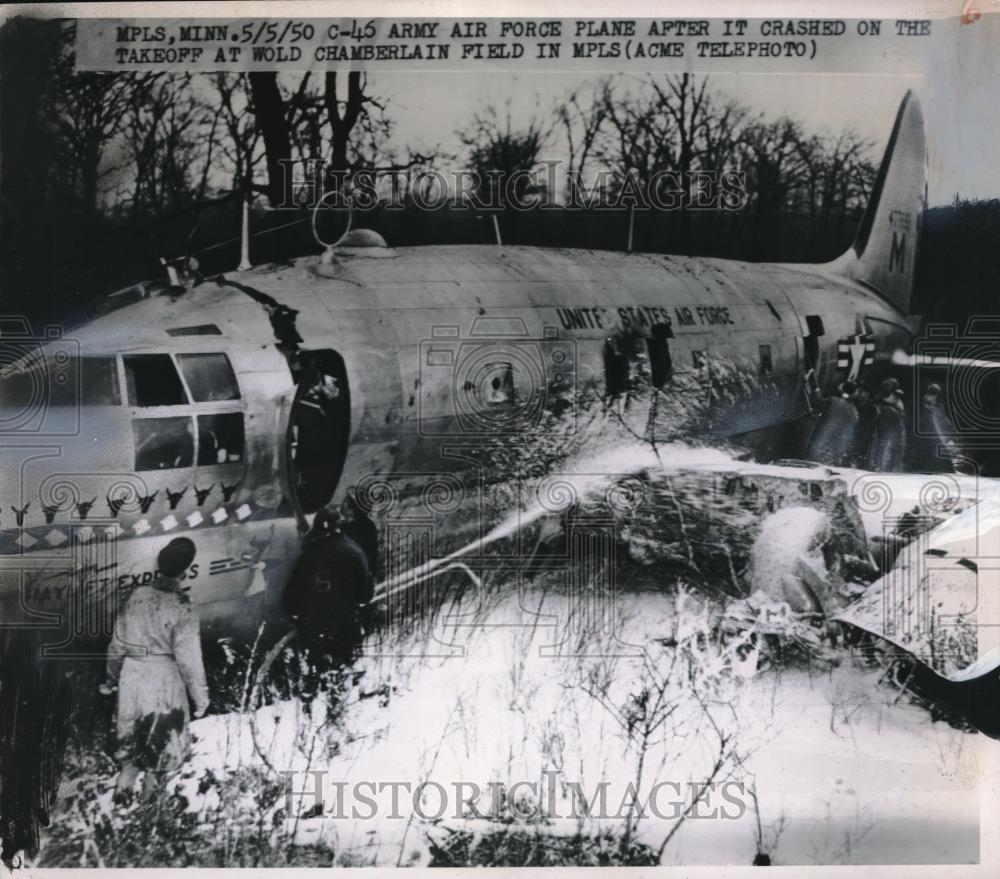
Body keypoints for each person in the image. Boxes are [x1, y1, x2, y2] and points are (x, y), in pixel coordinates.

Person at [101, 537, 208, 806]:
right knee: (160, 752)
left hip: (132, 677)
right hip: (163, 683)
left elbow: (117, 644)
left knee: (130, 745)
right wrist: (200, 698)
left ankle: (120, 803)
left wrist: (111, 678)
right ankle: (149, 815)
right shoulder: (183, 605)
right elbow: (189, 659)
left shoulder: (136, 596)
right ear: (184, 571)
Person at [283, 508, 374, 664]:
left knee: (318, 676)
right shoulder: (354, 552)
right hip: (346, 628)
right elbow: (365, 595)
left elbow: (290, 600)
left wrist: (297, 617)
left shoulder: (308, 556)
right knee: (347, 674)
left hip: (314, 629)